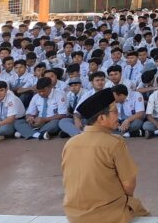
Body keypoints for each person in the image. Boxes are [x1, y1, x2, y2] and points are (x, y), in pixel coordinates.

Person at [61, 88, 150, 223]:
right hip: (108, 214)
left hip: (74, 214)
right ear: (102, 118)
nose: (118, 114)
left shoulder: (70, 143)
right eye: (114, 111)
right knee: (142, 212)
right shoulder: (114, 143)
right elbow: (129, 185)